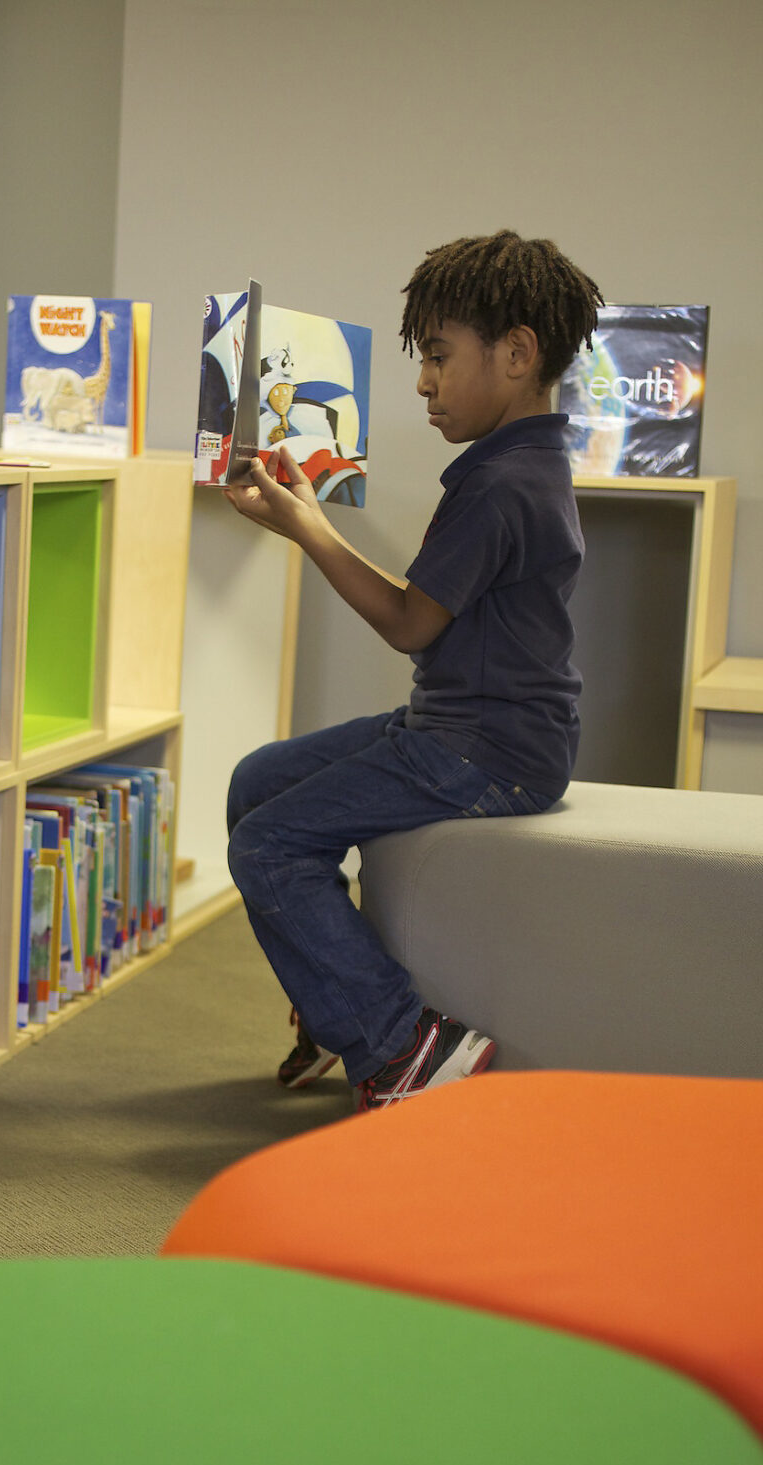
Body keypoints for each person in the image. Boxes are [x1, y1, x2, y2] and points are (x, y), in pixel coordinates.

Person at [225, 229, 601, 1109]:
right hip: (463, 729)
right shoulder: (513, 466)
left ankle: (402, 1047)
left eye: (437, 357)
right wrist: (309, 515)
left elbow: (407, 622)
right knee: (257, 782)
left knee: (266, 846)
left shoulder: (503, 486)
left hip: (486, 753)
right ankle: (335, 1001)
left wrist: (304, 526)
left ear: (516, 354)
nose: (423, 382)